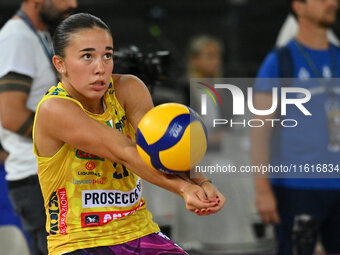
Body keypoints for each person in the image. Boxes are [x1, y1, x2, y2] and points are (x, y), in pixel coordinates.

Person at [32, 13, 225, 255]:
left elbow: (161, 147)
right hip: (80, 241)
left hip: (139, 231)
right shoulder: (54, 108)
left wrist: (202, 182)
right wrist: (184, 189)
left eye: (107, 56)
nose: (100, 68)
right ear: (60, 64)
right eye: (87, 57)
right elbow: (125, 152)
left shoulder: (129, 88)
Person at [252, 0, 340, 254]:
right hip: (296, 187)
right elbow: (260, 132)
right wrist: (262, 190)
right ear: (299, 7)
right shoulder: (280, 62)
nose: (332, 3)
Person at [0, 0, 77, 254]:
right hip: (37, 180)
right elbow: (10, 115)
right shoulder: (17, 38)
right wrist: (75, 136)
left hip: (45, 176)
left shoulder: (38, 35)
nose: (72, 4)